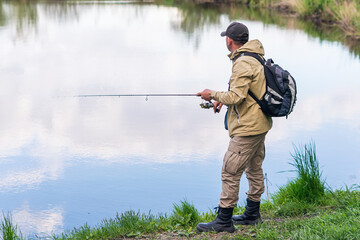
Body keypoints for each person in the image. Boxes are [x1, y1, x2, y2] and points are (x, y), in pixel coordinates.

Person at [196, 22, 272, 233]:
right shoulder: (255, 56)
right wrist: (223, 99)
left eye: (225, 38)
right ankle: (252, 213)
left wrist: (211, 94)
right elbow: (244, 92)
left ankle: (224, 220)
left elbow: (236, 96)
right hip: (259, 124)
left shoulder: (242, 62)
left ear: (229, 40)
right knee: (254, 168)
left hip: (247, 128)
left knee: (230, 170)